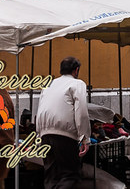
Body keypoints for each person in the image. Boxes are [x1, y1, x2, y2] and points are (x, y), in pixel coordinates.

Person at [35, 57, 90, 189]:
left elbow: (40, 109)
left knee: (51, 176)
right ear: (76, 70)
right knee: (70, 174)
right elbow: (81, 111)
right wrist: (84, 137)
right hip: (65, 135)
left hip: (45, 134)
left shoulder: (48, 85)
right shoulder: (77, 84)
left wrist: (38, 135)